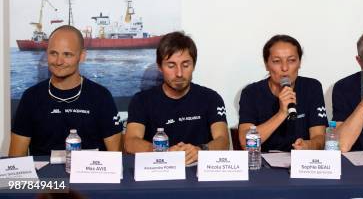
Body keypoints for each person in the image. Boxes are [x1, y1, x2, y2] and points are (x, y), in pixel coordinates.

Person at [9, 25, 122, 156]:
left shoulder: (101, 97)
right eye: (53, 53)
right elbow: (15, 159)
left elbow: (116, 158)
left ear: (82, 56)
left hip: (91, 175)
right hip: (44, 177)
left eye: (67, 54)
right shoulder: (31, 97)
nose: (59, 61)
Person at [124, 32, 229, 164]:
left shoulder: (211, 98)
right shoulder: (141, 100)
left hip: (200, 171)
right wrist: (162, 152)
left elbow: (223, 140)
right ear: (160, 67)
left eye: (185, 65)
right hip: (159, 168)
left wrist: (201, 150)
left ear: (194, 65)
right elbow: (131, 141)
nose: (179, 73)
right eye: (171, 65)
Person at [238, 35, 327, 151]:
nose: (285, 68)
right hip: (262, 163)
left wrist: (308, 145)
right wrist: (282, 113)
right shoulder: (251, 93)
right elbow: (245, 143)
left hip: (301, 163)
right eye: (276, 61)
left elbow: (319, 138)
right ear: (266, 65)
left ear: (299, 63)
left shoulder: (311, 87)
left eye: (291, 60)